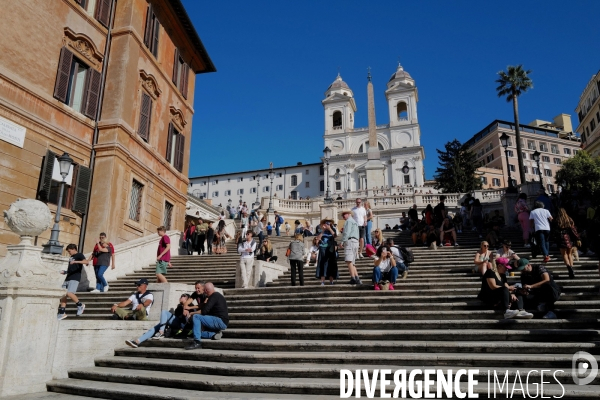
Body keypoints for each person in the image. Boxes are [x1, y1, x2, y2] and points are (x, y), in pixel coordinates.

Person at [125, 293, 191, 348]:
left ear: (187, 299)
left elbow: (185, 319)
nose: (181, 297)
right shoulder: (179, 307)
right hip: (174, 323)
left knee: (164, 312)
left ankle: (161, 332)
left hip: (181, 324)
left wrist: (185, 307)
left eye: (183, 296)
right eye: (181, 296)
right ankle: (137, 341)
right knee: (154, 328)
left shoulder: (190, 306)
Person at [185, 282, 229, 350]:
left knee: (196, 317)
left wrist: (192, 313)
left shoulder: (213, 297)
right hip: (222, 321)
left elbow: (205, 311)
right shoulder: (218, 295)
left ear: (206, 290)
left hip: (220, 321)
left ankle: (197, 342)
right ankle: (213, 334)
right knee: (196, 332)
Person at [57, 244, 88, 320]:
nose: (69, 253)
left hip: (75, 278)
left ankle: (80, 305)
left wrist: (76, 261)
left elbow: (86, 261)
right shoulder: (71, 257)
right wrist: (65, 272)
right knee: (63, 294)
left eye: (69, 251)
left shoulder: (79, 255)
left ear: (74, 249)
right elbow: (72, 269)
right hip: (68, 277)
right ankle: (62, 313)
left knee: (69, 293)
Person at [556, 208, 580, 279]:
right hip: (569, 238)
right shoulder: (569, 219)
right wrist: (577, 238)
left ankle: (569, 268)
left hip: (561, 238)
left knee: (564, 254)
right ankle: (572, 267)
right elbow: (573, 230)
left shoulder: (557, 220)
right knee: (569, 254)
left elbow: (555, 230)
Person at [315, 218, 340, 285]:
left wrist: (329, 229)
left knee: (331, 265)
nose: (327, 224)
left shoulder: (333, 229)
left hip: (330, 249)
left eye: (328, 223)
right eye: (326, 223)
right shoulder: (321, 230)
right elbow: (318, 238)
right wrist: (323, 231)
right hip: (323, 248)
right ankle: (322, 281)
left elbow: (335, 236)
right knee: (322, 264)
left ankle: (331, 281)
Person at [339, 209, 361, 285]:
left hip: (350, 241)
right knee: (352, 262)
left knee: (349, 261)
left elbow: (347, 232)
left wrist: (342, 241)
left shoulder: (348, 221)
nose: (343, 216)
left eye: (344, 214)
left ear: (348, 214)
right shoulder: (354, 222)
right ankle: (357, 278)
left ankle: (353, 278)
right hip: (355, 241)